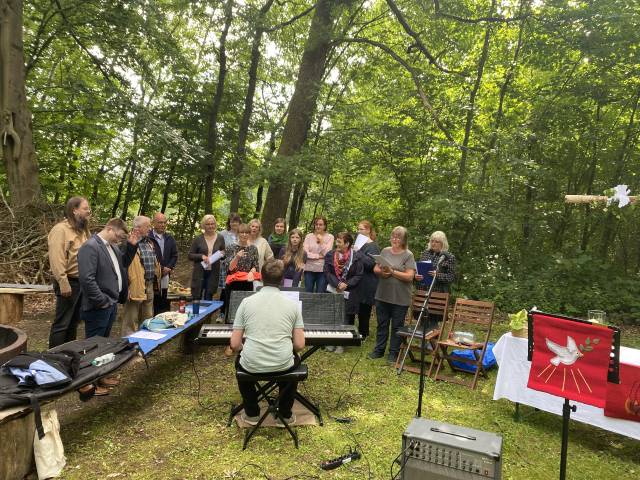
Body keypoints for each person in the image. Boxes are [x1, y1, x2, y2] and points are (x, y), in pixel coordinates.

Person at [230, 259, 305, 425]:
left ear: (261, 278)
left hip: (251, 364)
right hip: (283, 364)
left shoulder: (246, 302)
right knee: (294, 361)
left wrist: (248, 350)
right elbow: (299, 345)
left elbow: (234, 345)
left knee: (240, 362)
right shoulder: (292, 305)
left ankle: (252, 413)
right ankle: (284, 415)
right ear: (282, 279)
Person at [77, 218, 136, 396]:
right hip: (98, 306)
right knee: (93, 347)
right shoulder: (90, 247)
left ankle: (101, 377)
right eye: (119, 235)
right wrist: (101, 301)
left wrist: (132, 246)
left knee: (103, 346)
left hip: (111, 303)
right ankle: (89, 384)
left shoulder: (113, 247)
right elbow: (87, 279)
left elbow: (123, 264)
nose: (120, 240)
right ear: (110, 229)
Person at [47, 196, 92, 348]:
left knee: (74, 323)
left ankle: (68, 354)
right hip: (68, 283)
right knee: (62, 324)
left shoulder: (83, 230)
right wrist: (63, 282)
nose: (89, 211)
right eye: (85, 209)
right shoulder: (60, 230)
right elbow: (56, 258)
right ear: (74, 210)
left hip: (82, 283)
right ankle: (54, 358)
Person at [368, 226, 416, 363]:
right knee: (382, 324)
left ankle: (393, 353)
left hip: (400, 297)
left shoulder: (408, 255)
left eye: (398, 237)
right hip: (382, 294)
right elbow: (376, 268)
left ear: (404, 240)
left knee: (397, 326)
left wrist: (392, 272)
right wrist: (382, 272)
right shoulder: (385, 251)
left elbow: (409, 276)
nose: (395, 239)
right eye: (393, 236)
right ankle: (379, 350)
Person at [121, 216, 161, 336]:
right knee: (131, 319)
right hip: (134, 284)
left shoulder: (149, 242)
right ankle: (128, 345)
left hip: (148, 284)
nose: (150, 228)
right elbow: (122, 266)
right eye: (147, 226)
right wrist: (125, 287)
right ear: (138, 227)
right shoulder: (127, 242)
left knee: (148, 317)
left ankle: (146, 342)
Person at [324, 232, 364, 353]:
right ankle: (331, 341)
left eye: (339, 242)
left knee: (344, 316)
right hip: (333, 289)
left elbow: (359, 275)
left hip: (349, 291)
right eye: (337, 241)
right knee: (333, 316)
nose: (337, 243)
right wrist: (337, 283)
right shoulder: (331, 254)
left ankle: (341, 343)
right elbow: (327, 272)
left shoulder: (356, 257)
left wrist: (347, 284)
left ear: (347, 244)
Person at [414, 230, 457, 328]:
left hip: (437, 294)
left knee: (433, 323)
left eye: (437, 241)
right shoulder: (425, 253)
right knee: (421, 320)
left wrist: (437, 275)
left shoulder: (449, 257)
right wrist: (416, 276)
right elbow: (419, 270)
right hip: (423, 291)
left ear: (443, 243)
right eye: (432, 241)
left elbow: (451, 277)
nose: (433, 243)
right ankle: (423, 342)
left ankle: (432, 343)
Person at [223, 223, 259, 319]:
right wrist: (237, 257)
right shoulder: (231, 247)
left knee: (245, 311)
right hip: (233, 283)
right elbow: (229, 268)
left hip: (247, 283)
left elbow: (255, 266)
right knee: (231, 312)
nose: (244, 235)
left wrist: (252, 272)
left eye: (247, 232)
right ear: (238, 234)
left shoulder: (253, 248)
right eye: (242, 232)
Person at [188, 214, 226, 301]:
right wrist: (201, 256)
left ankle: (207, 314)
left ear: (215, 225)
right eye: (208, 224)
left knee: (208, 298)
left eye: (212, 224)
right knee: (197, 297)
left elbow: (224, 254)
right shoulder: (198, 239)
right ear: (203, 225)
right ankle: (196, 313)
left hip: (213, 272)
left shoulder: (220, 238)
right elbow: (190, 255)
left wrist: (223, 254)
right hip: (200, 272)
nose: (210, 226)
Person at [353, 220, 380, 340]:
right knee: (357, 307)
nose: (359, 231)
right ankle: (355, 331)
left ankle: (364, 334)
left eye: (361, 229)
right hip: (357, 281)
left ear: (368, 230)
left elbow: (370, 264)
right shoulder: (359, 244)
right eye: (358, 229)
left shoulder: (372, 246)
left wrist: (357, 252)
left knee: (364, 309)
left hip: (367, 281)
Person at [149, 212, 178, 315]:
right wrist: (160, 269)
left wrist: (169, 267)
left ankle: (165, 323)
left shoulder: (170, 238)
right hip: (152, 276)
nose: (162, 225)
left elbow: (174, 255)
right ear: (153, 223)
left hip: (166, 275)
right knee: (153, 302)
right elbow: (147, 258)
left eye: (164, 222)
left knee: (165, 301)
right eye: (160, 222)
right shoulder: (148, 238)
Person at [218, 213, 242, 319]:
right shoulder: (222, 234)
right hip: (226, 266)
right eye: (232, 221)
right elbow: (218, 249)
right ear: (229, 222)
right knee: (225, 290)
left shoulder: (242, 234)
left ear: (239, 222)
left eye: (236, 221)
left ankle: (236, 314)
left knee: (237, 289)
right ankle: (222, 313)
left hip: (240, 267)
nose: (234, 223)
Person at [302, 216, 334, 293]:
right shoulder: (309, 236)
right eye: (316, 224)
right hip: (309, 269)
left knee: (320, 293)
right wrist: (318, 256)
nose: (318, 226)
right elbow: (305, 253)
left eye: (321, 224)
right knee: (308, 293)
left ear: (325, 226)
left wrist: (322, 241)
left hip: (323, 270)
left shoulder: (330, 237)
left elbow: (327, 254)